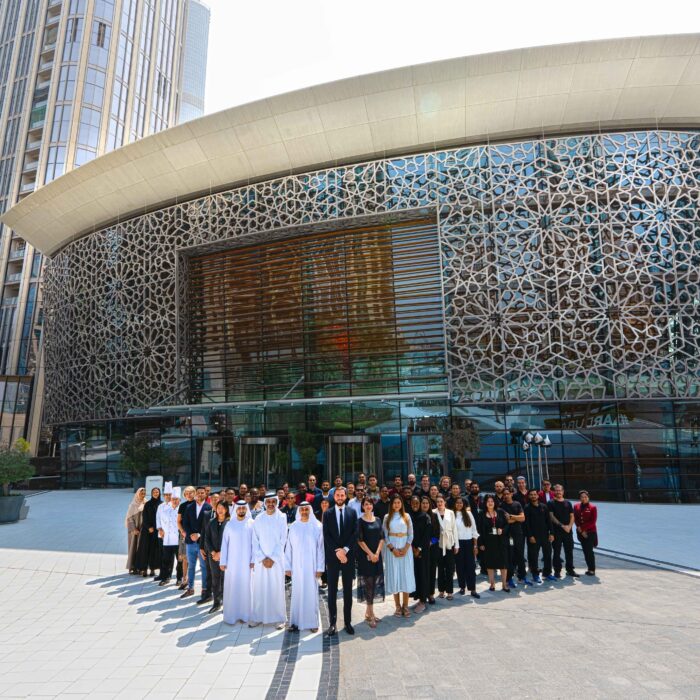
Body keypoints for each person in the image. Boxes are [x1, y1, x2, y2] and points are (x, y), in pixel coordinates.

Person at [322, 486, 358, 636]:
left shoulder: (352, 512)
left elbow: (354, 533)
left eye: (342, 495)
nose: (340, 497)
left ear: (345, 496)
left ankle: (348, 622)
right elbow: (326, 535)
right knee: (332, 591)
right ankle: (332, 623)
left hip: (348, 557)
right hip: (333, 557)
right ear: (334, 497)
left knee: (348, 591)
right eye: (337, 495)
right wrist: (338, 551)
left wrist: (345, 550)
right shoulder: (328, 514)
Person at [285, 502, 325, 632]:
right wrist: (288, 567)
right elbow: (288, 548)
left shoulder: (318, 526)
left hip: (312, 567)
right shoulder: (294, 527)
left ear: (310, 510)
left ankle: (312, 623)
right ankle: (295, 622)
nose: (304, 511)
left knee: (311, 594)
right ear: (299, 511)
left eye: (306, 509)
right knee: (296, 594)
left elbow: (321, 549)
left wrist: (320, 568)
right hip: (296, 567)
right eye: (301, 509)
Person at [250, 493, 287, 629]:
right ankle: (258, 617)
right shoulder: (258, 518)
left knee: (276, 588)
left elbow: (283, 540)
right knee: (260, 587)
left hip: (276, 560)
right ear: (265, 503)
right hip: (261, 561)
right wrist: (262, 558)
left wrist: (272, 558)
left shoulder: (282, 517)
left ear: (277, 502)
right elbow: (255, 540)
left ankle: (279, 618)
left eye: (273, 501)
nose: (271, 504)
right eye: (268, 501)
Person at [220, 501, 254, 624]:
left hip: (247, 562)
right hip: (232, 563)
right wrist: (223, 561)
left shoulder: (251, 523)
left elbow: (254, 544)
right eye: (239, 508)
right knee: (232, 587)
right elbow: (224, 544)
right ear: (236, 510)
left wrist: (253, 560)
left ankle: (246, 615)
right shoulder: (230, 524)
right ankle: (231, 616)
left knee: (246, 587)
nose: (241, 510)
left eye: (243, 508)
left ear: (246, 509)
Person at [383, 494, 415, 617]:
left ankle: (405, 606)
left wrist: (406, 548)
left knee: (405, 575)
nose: (396, 505)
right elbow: (385, 535)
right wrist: (392, 549)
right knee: (395, 575)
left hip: (405, 548)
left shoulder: (406, 516)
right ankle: (397, 606)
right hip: (392, 549)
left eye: (398, 502)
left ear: (401, 504)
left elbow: (411, 534)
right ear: (391, 504)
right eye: (394, 503)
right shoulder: (387, 517)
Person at [181, 486, 212, 603]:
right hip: (190, 542)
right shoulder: (189, 507)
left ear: (205, 494)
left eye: (202, 493)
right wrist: (190, 534)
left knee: (204, 567)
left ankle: (204, 589)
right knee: (191, 566)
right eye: (198, 493)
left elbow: (208, 526)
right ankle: (190, 588)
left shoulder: (208, 508)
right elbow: (185, 523)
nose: (200, 494)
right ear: (195, 494)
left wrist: (199, 535)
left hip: (202, 543)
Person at [478, 494, 509, 592]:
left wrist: (502, 530)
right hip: (488, 542)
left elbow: (507, 524)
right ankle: (492, 584)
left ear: (494, 502)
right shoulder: (481, 514)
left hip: (501, 541)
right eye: (488, 501)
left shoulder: (500, 511)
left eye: (492, 501)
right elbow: (479, 530)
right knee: (490, 563)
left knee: (503, 563)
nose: (490, 503)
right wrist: (481, 543)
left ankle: (504, 584)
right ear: (485, 503)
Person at [524, 489, 555, 584]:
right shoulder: (527, 507)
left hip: (545, 535)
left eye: (535, 494)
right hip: (533, 537)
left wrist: (552, 533)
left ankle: (547, 573)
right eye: (531, 495)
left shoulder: (544, 507)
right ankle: (535, 574)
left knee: (548, 554)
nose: (533, 496)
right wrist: (530, 536)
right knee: (534, 556)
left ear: (538, 496)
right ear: (529, 497)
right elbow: (527, 524)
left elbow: (549, 521)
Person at [203, 501, 229, 613]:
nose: (220, 510)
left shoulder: (230, 523)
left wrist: (221, 553)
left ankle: (227, 603)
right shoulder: (211, 522)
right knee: (215, 579)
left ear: (226, 509)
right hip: (213, 556)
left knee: (226, 579)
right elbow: (206, 538)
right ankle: (216, 603)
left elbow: (231, 541)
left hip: (226, 556)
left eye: (223, 508)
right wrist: (213, 552)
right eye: (218, 507)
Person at [549, 484, 579, 578]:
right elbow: (551, 516)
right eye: (556, 490)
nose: (558, 492)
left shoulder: (568, 503)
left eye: (560, 490)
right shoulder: (551, 503)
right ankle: (557, 571)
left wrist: (569, 526)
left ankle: (570, 570)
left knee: (569, 551)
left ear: (563, 491)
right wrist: (562, 526)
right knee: (557, 552)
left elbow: (572, 516)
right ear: (554, 492)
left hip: (568, 532)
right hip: (557, 532)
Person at [432, 494, 459, 600]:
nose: (439, 503)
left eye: (441, 501)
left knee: (449, 568)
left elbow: (454, 528)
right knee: (440, 569)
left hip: (449, 543)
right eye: (438, 501)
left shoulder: (450, 512)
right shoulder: (433, 512)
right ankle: (441, 591)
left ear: (444, 502)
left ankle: (450, 592)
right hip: (438, 543)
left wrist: (456, 544)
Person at [452, 496, 480, 598]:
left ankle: (472, 589)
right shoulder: (452, 515)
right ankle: (462, 587)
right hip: (457, 544)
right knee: (460, 566)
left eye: (461, 503)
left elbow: (474, 530)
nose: (459, 504)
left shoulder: (468, 514)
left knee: (470, 566)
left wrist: (475, 545)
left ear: (463, 504)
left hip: (469, 543)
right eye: (457, 503)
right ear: (455, 504)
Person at [501, 488, 528, 588]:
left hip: (518, 534)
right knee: (510, 557)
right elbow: (506, 521)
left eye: (508, 493)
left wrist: (512, 516)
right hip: (507, 535)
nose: (506, 495)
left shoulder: (517, 504)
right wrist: (516, 518)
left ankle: (522, 576)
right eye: (504, 494)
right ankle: (509, 578)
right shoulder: (501, 506)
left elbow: (523, 518)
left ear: (511, 494)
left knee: (520, 556)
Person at [409, 495, 432, 613]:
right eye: (413, 503)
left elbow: (426, 536)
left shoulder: (425, 517)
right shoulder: (409, 516)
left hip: (422, 551)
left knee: (423, 575)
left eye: (417, 503)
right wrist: (412, 548)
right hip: (411, 551)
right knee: (416, 575)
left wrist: (418, 549)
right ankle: (419, 598)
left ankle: (423, 601)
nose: (415, 505)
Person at [157, 487, 181, 586]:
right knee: (166, 559)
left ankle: (180, 578)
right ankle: (165, 577)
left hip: (178, 539)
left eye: (176, 499)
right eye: (173, 499)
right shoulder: (165, 509)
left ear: (179, 500)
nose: (174, 501)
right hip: (167, 539)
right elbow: (160, 520)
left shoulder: (182, 509)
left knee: (179, 560)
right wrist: (160, 530)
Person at [135, 487, 162, 577]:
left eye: (157, 492)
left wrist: (158, 528)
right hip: (147, 531)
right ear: (151, 493)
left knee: (154, 551)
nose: (155, 493)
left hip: (157, 531)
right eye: (154, 492)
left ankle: (153, 569)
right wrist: (149, 527)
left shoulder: (162, 504)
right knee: (145, 550)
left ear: (159, 493)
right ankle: (144, 569)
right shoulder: (148, 504)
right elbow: (144, 517)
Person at [574, 490, 598, 576]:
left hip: (590, 532)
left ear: (588, 498)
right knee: (585, 551)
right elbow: (575, 518)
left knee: (589, 551)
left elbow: (593, 521)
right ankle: (589, 567)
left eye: (585, 497)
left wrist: (583, 529)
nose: (583, 498)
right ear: (580, 498)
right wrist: (579, 529)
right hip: (580, 532)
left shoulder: (593, 507)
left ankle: (592, 569)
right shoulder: (576, 506)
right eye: (582, 497)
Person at [177, 486, 196, 589]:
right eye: (186, 493)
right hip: (184, 534)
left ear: (194, 493)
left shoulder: (197, 504)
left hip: (196, 535)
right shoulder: (182, 506)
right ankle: (184, 579)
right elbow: (178, 521)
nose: (188, 495)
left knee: (193, 558)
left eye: (191, 493)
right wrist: (182, 531)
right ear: (184, 495)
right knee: (185, 557)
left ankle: (191, 579)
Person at [154, 482, 173, 582]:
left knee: (169, 556)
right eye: (166, 495)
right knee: (161, 555)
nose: (168, 496)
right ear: (164, 496)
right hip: (161, 534)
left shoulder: (174, 505)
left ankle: (168, 575)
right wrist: (160, 529)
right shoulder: (160, 506)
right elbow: (157, 518)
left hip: (170, 536)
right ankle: (162, 574)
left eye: (170, 494)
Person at [125, 487, 145, 574]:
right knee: (133, 548)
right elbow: (129, 518)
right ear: (137, 494)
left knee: (141, 548)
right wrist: (133, 529)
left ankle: (140, 567)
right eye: (141, 493)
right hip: (134, 531)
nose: (142, 495)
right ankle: (132, 567)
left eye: (144, 494)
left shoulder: (146, 503)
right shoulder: (133, 505)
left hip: (143, 529)